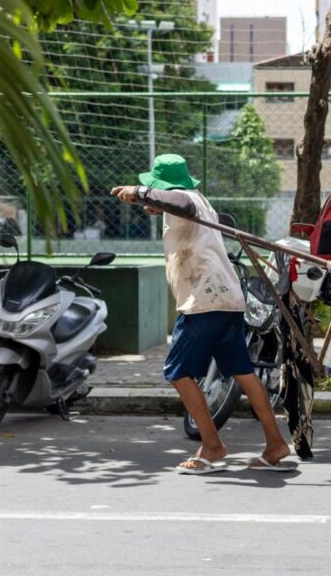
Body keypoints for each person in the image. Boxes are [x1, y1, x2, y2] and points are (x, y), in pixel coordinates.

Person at [111, 154, 292, 474]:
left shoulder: (186, 199)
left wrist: (138, 192)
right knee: (242, 371)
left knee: (177, 371)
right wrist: (152, 203)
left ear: (161, 186)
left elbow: (178, 201)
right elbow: (175, 205)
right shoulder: (196, 202)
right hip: (226, 299)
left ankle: (212, 445)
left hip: (204, 301)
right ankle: (275, 443)